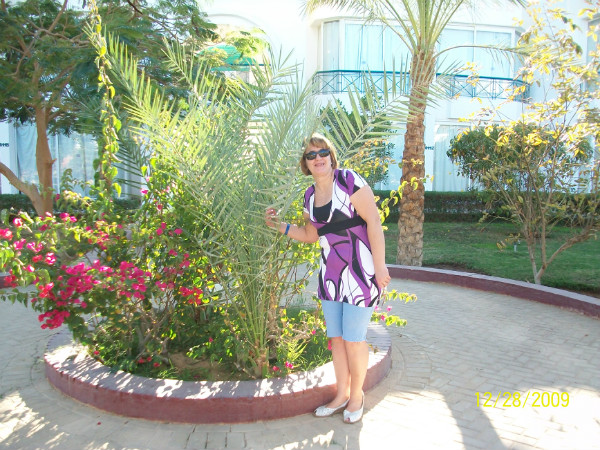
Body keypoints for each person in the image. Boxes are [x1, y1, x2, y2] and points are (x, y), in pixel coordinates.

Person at [265, 133, 391, 424]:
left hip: (361, 273)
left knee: (354, 339)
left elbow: (373, 221)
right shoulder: (309, 196)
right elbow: (311, 235)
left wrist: (380, 266)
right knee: (337, 339)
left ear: (331, 157)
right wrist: (279, 226)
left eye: (322, 152)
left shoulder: (349, 181)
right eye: (311, 155)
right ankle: (341, 395)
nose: (318, 158)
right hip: (331, 276)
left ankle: (356, 397)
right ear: (305, 163)